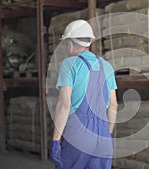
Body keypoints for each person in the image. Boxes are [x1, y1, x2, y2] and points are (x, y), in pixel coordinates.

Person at [50, 20, 118, 169]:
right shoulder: (107, 66)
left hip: (79, 135)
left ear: (70, 43)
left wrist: (56, 139)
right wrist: (108, 133)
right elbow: (113, 105)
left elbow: (64, 104)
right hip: (103, 137)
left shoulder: (69, 64)